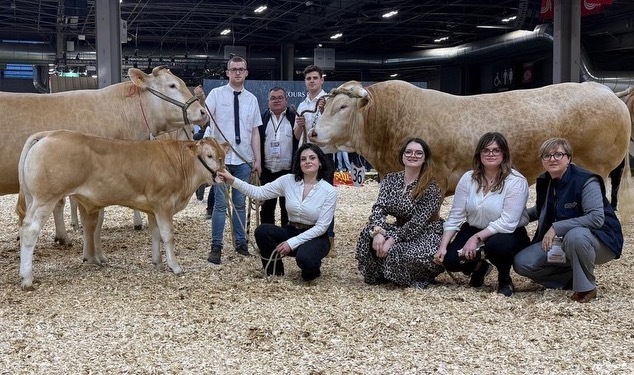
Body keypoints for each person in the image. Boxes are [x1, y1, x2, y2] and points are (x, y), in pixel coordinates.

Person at [513, 138, 623, 303]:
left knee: (575, 236)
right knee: (522, 262)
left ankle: (586, 288)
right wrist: (513, 218)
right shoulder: (544, 181)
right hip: (564, 241)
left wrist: (557, 227)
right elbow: (541, 210)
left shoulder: (586, 180)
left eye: (558, 154)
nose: (553, 159)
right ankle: (570, 278)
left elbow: (596, 218)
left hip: (601, 240)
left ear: (569, 158)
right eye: (547, 156)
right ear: (542, 161)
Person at [217, 143, 337, 281]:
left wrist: (291, 243)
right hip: (291, 229)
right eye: (303, 159)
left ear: (320, 162)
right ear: (299, 163)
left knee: (306, 262)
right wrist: (232, 180)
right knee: (262, 231)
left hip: (315, 237)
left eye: (312, 158)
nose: (307, 162)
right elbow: (259, 193)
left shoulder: (329, 191)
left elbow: (322, 228)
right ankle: (275, 273)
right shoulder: (288, 181)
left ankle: (313, 268)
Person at [434, 132, 530, 297]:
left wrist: (476, 239)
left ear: (504, 154)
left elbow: (508, 222)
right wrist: (443, 246)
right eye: (486, 150)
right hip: (473, 227)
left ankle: (504, 278)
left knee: (497, 246)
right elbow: (456, 215)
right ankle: (480, 266)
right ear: (479, 154)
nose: (490, 154)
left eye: (496, 150)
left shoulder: (516, 181)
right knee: (450, 260)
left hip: (506, 233)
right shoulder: (468, 178)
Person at [356, 137, 444, 288]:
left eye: (418, 153)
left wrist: (391, 240)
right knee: (367, 234)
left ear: (425, 158)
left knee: (397, 251)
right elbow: (379, 208)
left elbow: (418, 222)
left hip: (425, 233)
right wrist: (378, 232)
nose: (412, 155)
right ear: (402, 156)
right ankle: (379, 274)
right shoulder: (390, 179)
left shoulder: (432, 186)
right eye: (408, 152)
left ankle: (417, 276)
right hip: (400, 228)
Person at [204, 55, 262, 264]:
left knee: (240, 203)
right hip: (222, 161)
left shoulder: (252, 99)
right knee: (220, 204)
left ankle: (241, 244)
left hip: (244, 160)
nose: (237, 72)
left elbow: (254, 132)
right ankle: (216, 246)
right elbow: (205, 120)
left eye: (241, 69)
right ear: (227, 73)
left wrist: (257, 160)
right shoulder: (216, 95)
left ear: (246, 73)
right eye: (234, 69)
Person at [293, 65, 336, 251]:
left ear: (322, 80)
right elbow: (297, 136)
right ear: (305, 82)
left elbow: (333, 131)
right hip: (306, 157)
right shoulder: (302, 105)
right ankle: (308, 238)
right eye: (308, 78)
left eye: (315, 78)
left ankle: (329, 238)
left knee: (326, 198)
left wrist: (325, 111)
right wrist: (299, 125)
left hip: (324, 156)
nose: (311, 81)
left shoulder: (329, 102)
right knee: (307, 197)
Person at [258, 87, 298, 226]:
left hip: (288, 172)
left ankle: (287, 242)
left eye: (280, 97)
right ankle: (267, 243)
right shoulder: (262, 118)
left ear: (286, 100)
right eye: (273, 98)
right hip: (267, 171)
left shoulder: (294, 118)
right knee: (266, 209)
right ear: (268, 101)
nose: (276, 101)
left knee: (288, 209)